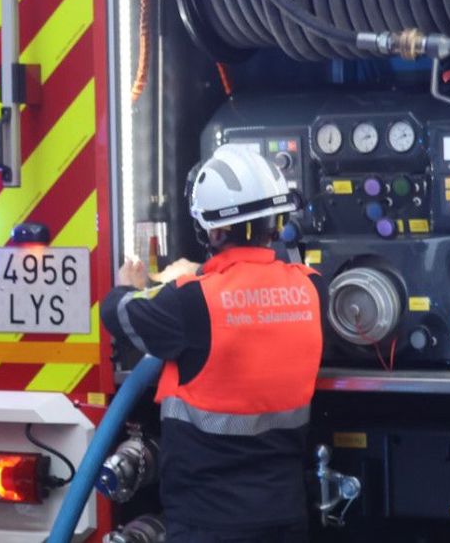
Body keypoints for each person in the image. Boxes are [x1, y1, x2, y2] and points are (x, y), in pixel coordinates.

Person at [101, 144, 323, 543]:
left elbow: (117, 313)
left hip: (209, 522)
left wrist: (127, 286)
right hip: (285, 514)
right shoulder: (310, 289)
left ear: (214, 230)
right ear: (275, 221)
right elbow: (253, 291)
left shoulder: (191, 302)